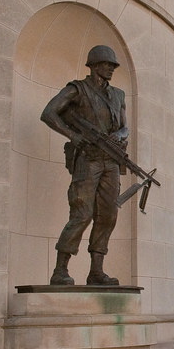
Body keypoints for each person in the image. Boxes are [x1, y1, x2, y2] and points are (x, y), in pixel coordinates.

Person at [41, 45, 128, 286]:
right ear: (94, 66)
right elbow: (49, 113)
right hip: (87, 159)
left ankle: (96, 272)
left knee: (108, 215)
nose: (111, 68)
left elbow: (124, 127)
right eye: (107, 64)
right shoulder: (77, 89)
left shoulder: (119, 95)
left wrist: (119, 137)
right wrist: (73, 135)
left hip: (111, 160)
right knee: (82, 213)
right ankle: (61, 269)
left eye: (113, 65)